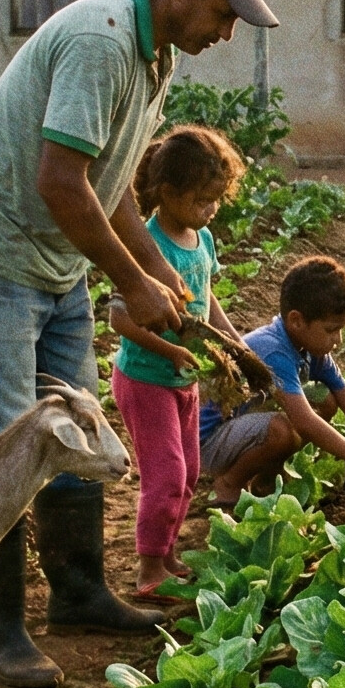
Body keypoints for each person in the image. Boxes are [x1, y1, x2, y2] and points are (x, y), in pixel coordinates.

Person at [0, 0, 278, 687]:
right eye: (224, 15)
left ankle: (79, 593)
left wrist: (155, 269)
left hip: (51, 260)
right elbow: (61, 182)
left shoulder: (156, 58)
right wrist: (130, 283)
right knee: (2, 443)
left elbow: (109, 180)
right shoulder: (101, 40)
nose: (227, 33)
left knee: (77, 423)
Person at [104, 125, 248, 597]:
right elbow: (119, 320)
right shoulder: (145, 245)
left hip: (184, 380)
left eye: (217, 201)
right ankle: (147, 571)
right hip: (146, 379)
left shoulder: (200, 240)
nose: (211, 211)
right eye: (203, 200)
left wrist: (233, 342)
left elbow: (205, 298)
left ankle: (165, 555)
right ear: (167, 193)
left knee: (187, 475)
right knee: (164, 476)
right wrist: (174, 351)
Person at [203, 257, 345, 501]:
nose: (339, 340)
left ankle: (266, 478)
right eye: (331, 330)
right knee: (283, 431)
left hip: (239, 423)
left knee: (327, 400)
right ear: (296, 321)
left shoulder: (311, 348)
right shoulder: (273, 350)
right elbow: (305, 423)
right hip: (207, 443)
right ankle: (229, 483)